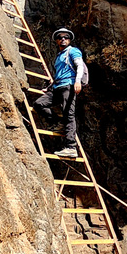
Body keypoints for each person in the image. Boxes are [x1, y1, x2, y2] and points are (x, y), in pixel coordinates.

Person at [34, 27, 84, 158]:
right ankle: (58, 123)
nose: (63, 39)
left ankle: (71, 147)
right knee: (39, 104)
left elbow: (80, 66)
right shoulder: (59, 57)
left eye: (66, 37)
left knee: (69, 114)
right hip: (58, 87)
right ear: (56, 41)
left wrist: (77, 81)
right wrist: (50, 88)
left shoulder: (72, 51)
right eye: (60, 37)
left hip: (69, 86)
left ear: (69, 40)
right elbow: (59, 75)